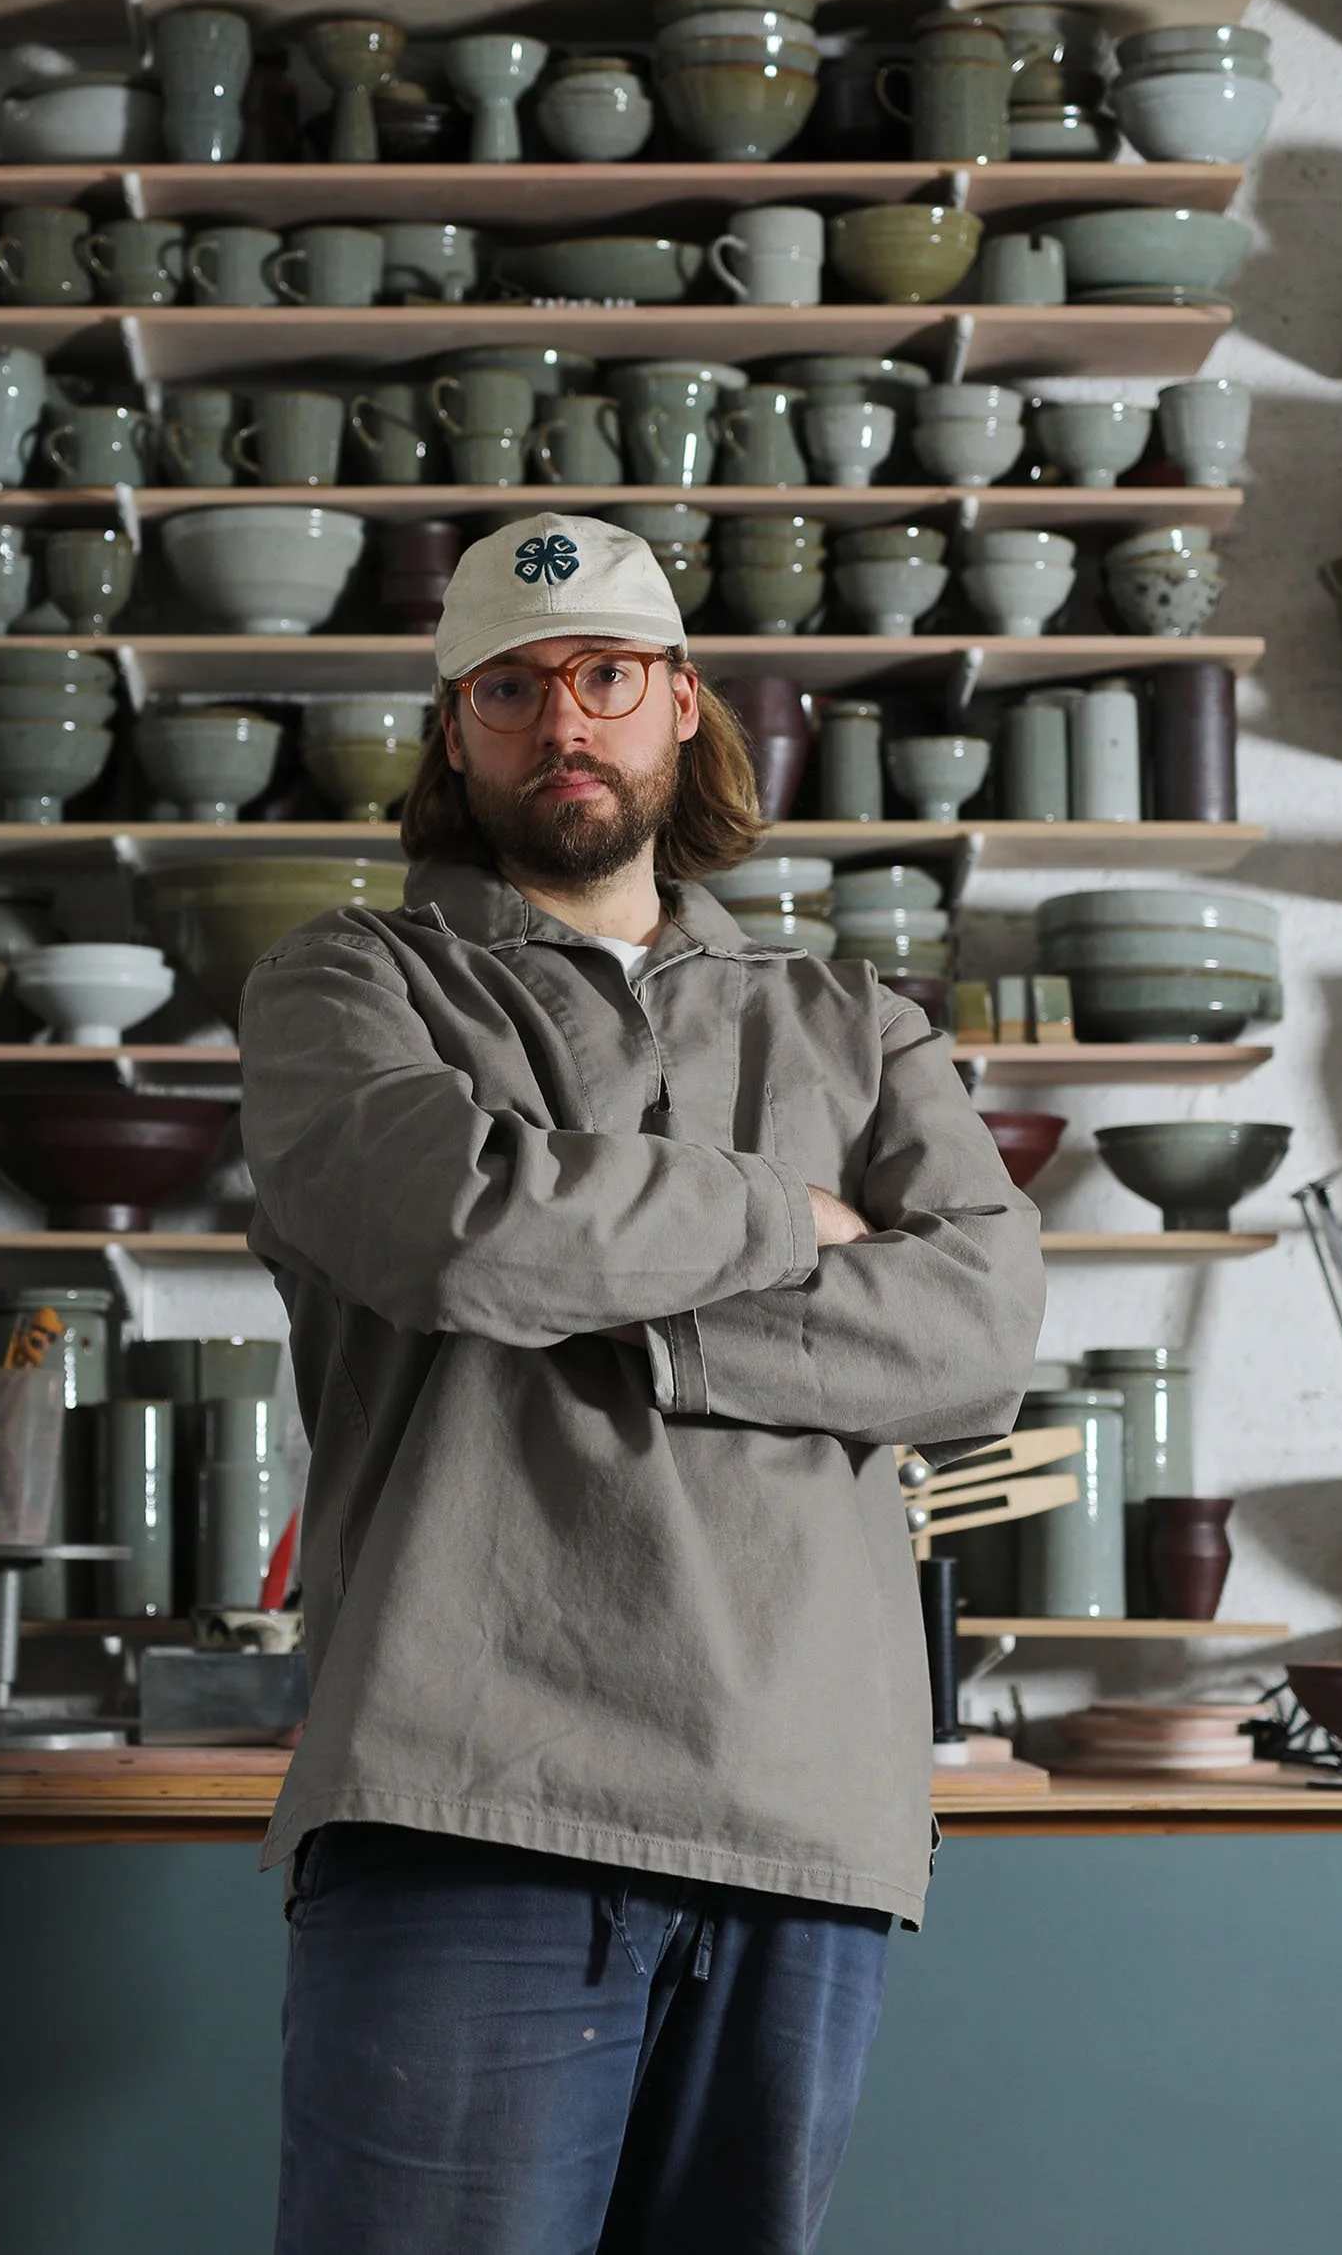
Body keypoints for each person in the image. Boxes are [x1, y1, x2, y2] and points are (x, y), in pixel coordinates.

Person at [239, 512, 1045, 2255]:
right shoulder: (348, 981)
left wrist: (629, 1311)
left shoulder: (852, 1020)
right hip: (469, 1791)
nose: (564, 722)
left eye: (605, 675)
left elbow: (978, 1325)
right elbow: (455, 1227)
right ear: (456, 731)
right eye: (511, 689)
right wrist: (790, 1216)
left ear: (682, 704)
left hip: (806, 1817)